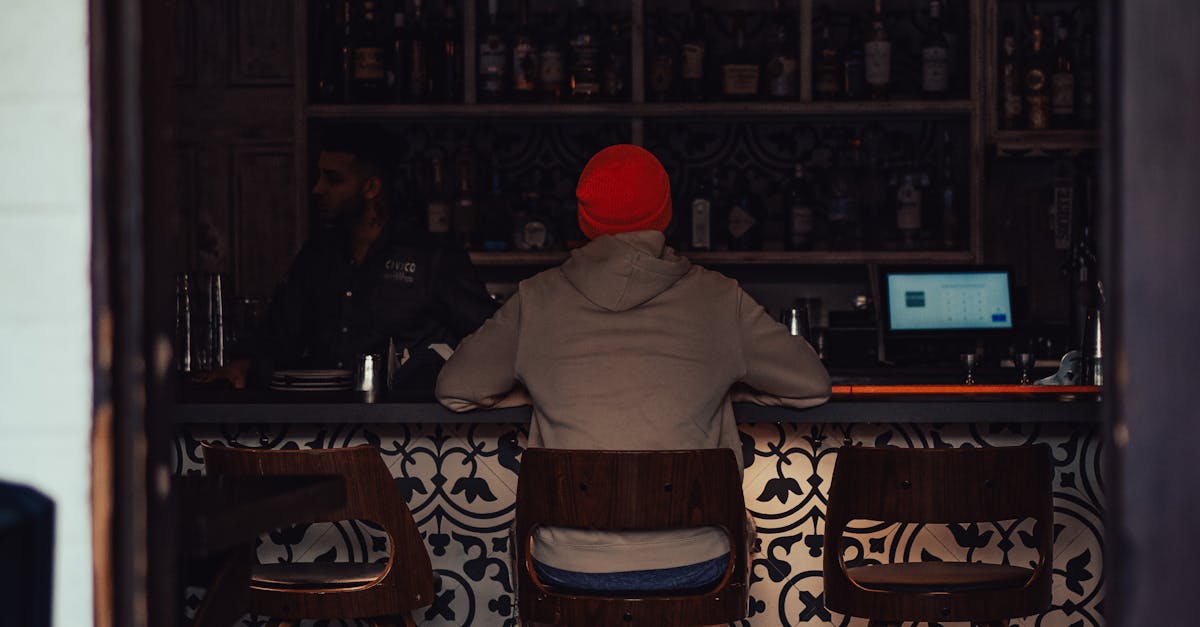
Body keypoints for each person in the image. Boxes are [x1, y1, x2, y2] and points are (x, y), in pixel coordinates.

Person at [435, 144, 831, 592]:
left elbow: (455, 388)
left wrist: (533, 387)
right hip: (698, 565)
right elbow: (812, 385)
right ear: (665, 215)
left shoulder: (537, 299)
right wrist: (727, 385)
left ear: (585, 220)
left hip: (565, 566)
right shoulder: (718, 298)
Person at [198, 127, 498, 390]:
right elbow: (277, 337)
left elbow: (494, 336)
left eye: (333, 179)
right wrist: (244, 365)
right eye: (320, 177)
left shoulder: (432, 258)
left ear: (371, 188)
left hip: (411, 434)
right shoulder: (316, 256)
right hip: (320, 429)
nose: (317, 189)